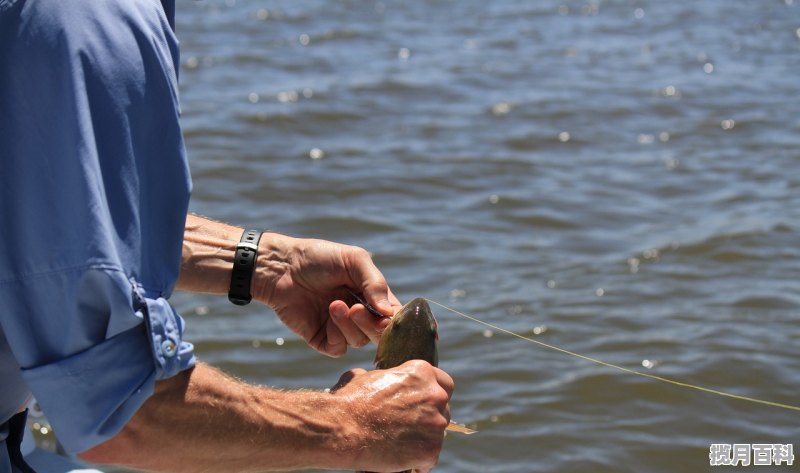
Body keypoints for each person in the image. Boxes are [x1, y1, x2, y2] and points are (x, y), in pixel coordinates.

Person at [0, 0, 453, 472]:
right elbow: (119, 413)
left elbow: (48, 223)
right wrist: (356, 424)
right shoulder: (88, 19)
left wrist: (268, 265)